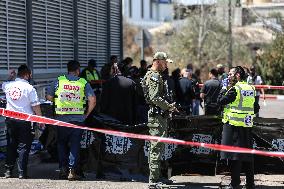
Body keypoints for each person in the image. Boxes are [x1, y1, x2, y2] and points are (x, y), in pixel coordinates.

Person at [46, 60, 96, 181]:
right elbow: (93, 100)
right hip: (78, 120)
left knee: (61, 144)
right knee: (75, 144)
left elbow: (48, 96)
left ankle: (62, 169)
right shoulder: (83, 82)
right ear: (78, 70)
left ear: (68, 70)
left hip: (61, 119)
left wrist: (59, 101)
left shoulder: (59, 80)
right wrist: (86, 115)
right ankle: (72, 171)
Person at [141, 52, 178, 188]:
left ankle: (157, 177)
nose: (166, 65)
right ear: (158, 61)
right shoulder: (155, 76)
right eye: (165, 62)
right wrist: (169, 107)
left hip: (158, 116)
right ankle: (154, 180)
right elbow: (155, 97)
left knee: (158, 147)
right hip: (157, 117)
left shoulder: (153, 75)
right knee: (156, 148)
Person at [2, 64, 44, 179]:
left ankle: (8, 171)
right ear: (27, 75)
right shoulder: (30, 88)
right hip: (25, 121)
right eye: (30, 74)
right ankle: (22, 173)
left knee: (11, 145)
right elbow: (35, 106)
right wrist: (40, 119)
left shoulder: (8, 85)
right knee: (24, 146)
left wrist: (10, 77)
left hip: (10, 120)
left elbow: (3, 84)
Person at [217, 66, 256, 189]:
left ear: (238, 75)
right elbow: (256, 108)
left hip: (235, 126)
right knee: (248, 156)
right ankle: (250, 184)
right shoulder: (251, 88)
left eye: (231, 74)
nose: (228, 76)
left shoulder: (235, 89)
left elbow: (220, 100)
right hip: (247, 125)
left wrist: (223, 88)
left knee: (235, 157)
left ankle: (235, 184)